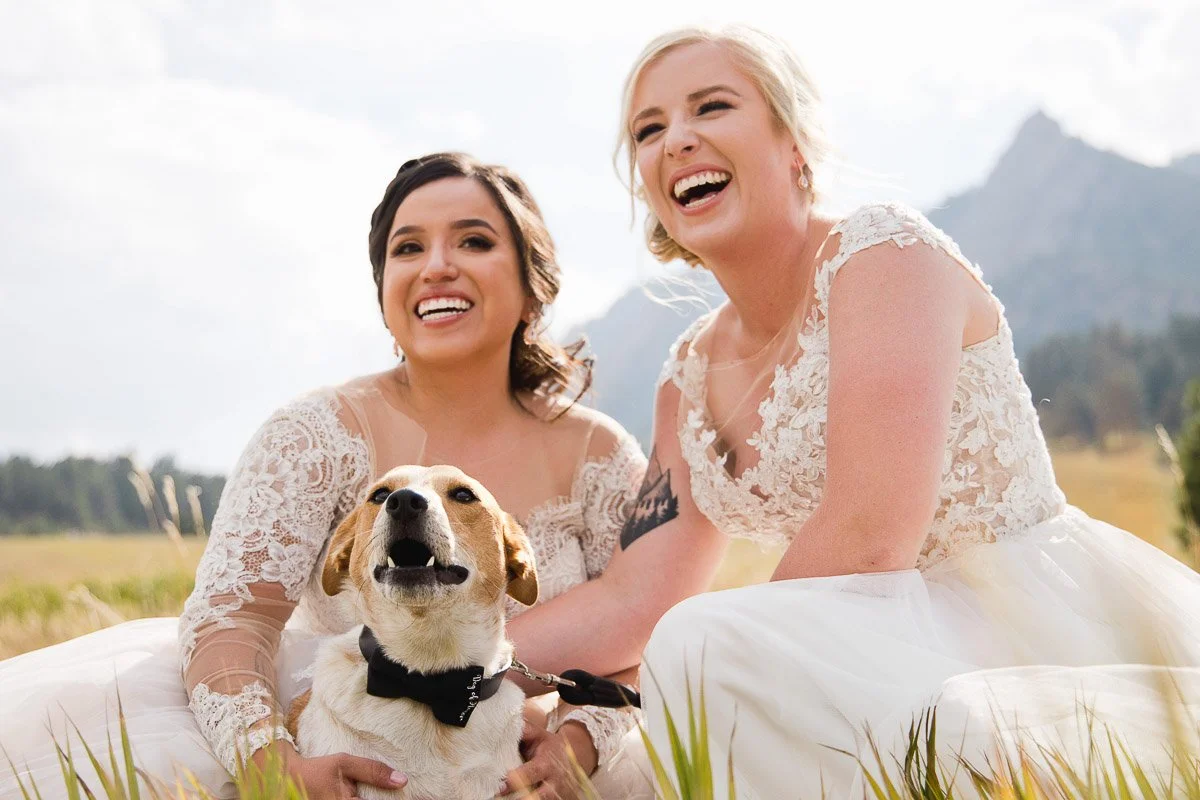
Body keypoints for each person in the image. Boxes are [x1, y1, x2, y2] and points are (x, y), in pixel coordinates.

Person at [615, 24, 1200, 799]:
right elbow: (632, 596)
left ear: (793, 143)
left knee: (696, 650)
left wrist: (700, 673)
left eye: (710, 108)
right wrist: (462, 666)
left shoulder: (883, 258)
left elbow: (871, 534)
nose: (676, 141)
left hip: (1028, 633)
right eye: (648, 130)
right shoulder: (683, 381)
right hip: (864, 650)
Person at [0, 153, 659, 800]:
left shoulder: (600, 455)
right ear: (383, 292)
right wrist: (272, 765)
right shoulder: (316, 436)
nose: (436, 267)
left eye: (474, 240)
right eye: (407, 249)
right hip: (331, 743)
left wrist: (581, 740)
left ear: (532, 282)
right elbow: (233, 620)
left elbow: (643, 641)